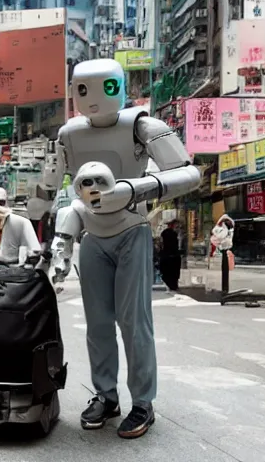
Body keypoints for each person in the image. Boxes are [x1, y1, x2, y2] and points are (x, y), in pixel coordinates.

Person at [49, 59, 201, 439]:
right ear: (74, 93)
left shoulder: (140, 125)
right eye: (81, 90)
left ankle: (143, 402)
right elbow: (46, 187)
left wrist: (134, 189)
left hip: (131, 227)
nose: (93, 98)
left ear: (118, 87)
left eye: (104, 87)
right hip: (93, 236)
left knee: (135, 323)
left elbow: (187, 172)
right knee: (97, 324)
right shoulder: (69, 135)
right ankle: (105, 394)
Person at [159, 221, 181, 291]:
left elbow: (162, 244)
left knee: (167, 275)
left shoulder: (164, 233)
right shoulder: (175, 234)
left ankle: (170, 286)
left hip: (166, 256)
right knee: (173, 276)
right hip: (173, 257)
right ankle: (174, 286)